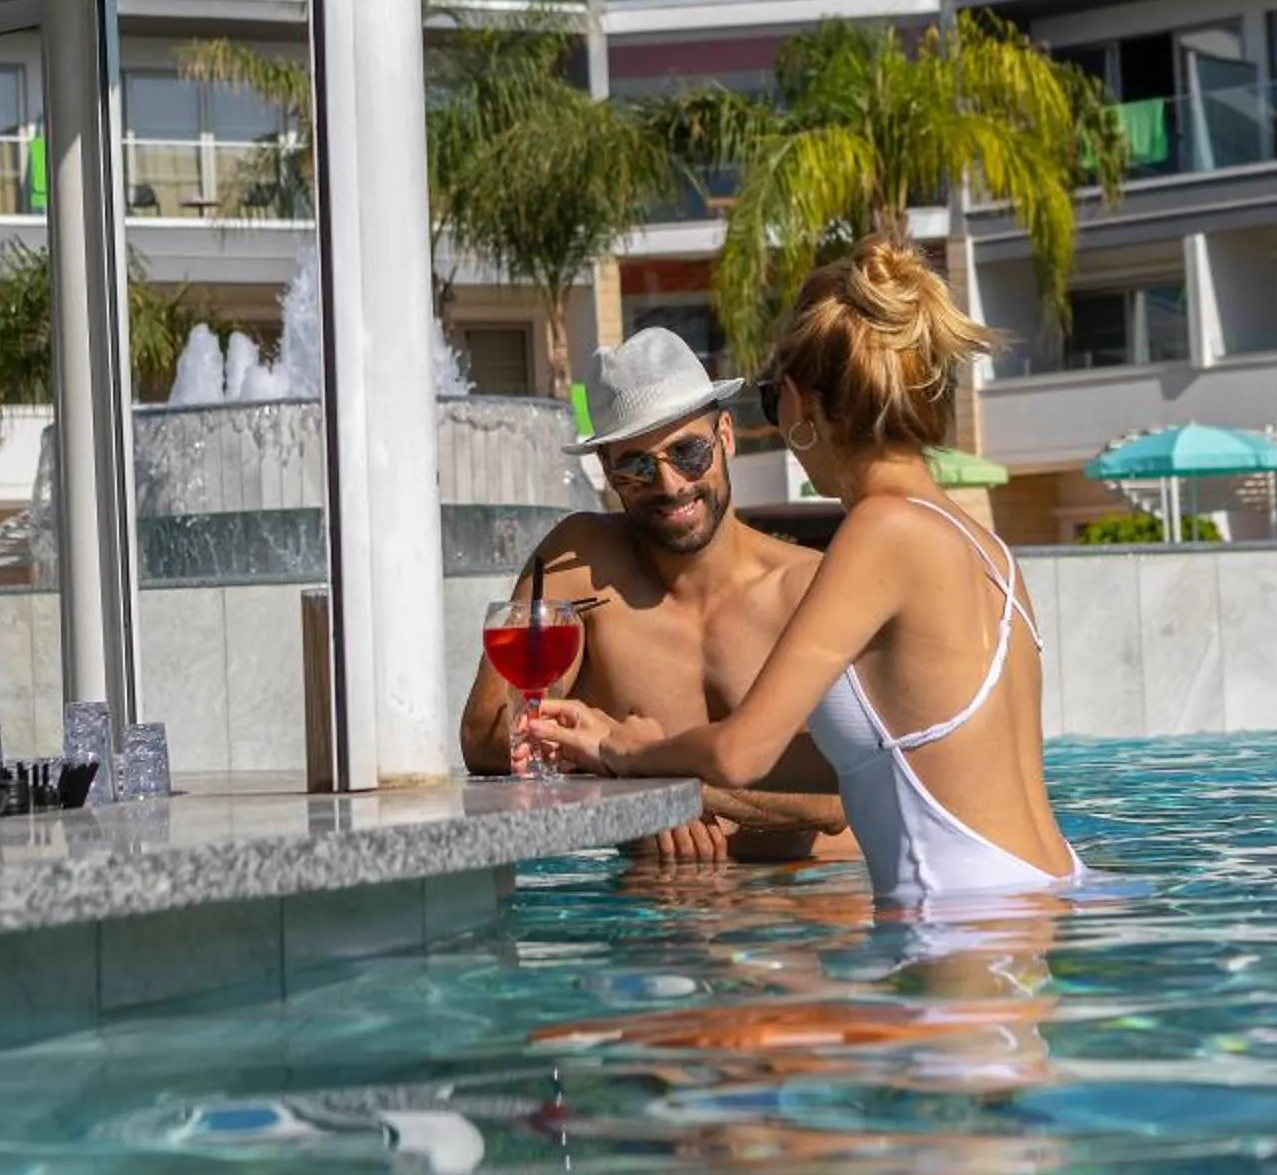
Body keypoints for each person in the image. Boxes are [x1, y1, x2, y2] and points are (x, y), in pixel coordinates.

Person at [527, 240, 1089, 907]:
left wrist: (623, 745)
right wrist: (657, 756)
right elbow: (873, 762)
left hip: (962, 915)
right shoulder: (983, 544)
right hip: (1042, 891)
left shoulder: (880, 530)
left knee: (698, 1016)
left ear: (798, 404)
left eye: (771, 398)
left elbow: (742, 755)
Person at [458, 327, 852, 864]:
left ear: (727, 437)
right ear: (609, 474)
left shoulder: (809, 587)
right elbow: (484, 739)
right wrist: (629, 782)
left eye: (688, 452)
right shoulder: (578, 565)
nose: (669, 485)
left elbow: (837, 795)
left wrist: (654, 778)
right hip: (654, 914)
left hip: (806, 909)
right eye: (637, 465)